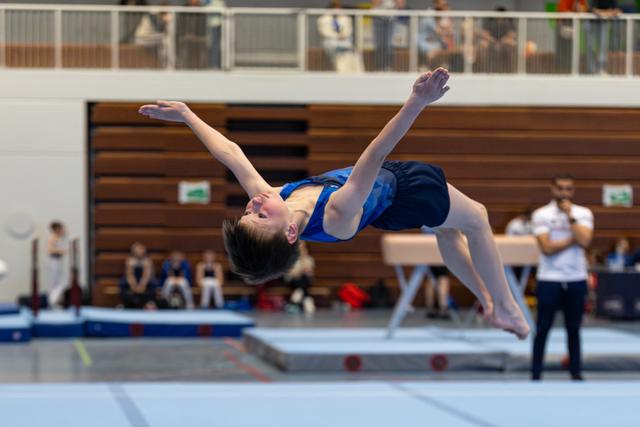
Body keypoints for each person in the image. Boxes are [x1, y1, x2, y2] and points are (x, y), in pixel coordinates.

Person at [139, 68, 530, 339]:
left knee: (447, 232)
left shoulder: (278, 201)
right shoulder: (336, 217)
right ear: (291, 232)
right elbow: (372, 158)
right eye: (258, 216)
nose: (254, 203)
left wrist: (189, 115)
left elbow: (231, 154)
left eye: (247, 212)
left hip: (386, 194)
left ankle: (488, 302)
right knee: (476, 218)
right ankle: (507, 308)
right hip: (406, 189)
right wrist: (417, 102)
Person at [531, 174, 593, 381]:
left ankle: (576, 371)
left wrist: (570, 218)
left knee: (574, 328)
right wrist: (572, 239)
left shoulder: (583, 213)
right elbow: (547, 248)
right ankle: (536, 371)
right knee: (543, 327)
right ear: (553, 189)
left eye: (568, 189)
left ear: (573, 191)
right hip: (549, 277)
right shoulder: (541, 214)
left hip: (576, 277)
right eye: (560, 188)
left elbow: (584, 241)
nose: (564, 193)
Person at [317, 0, 361, 72]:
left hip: (344, 41)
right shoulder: (323, 18)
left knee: (353, 54)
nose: (337, 10)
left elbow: (348, 31)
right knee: (340, 55)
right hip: (330, 42)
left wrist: (343, 36)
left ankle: (357, 73)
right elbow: (324, 32)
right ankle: (341, 72)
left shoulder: (346, 18)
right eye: (335, 8)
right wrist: (337, 36)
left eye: (339, 8)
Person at [585, 0, 622, 74]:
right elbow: (593, 10)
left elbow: (618, 11)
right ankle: (591, 71)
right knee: (590, 47)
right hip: (590, 23)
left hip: (603, 23)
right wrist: (608, 12)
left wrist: (605, 13)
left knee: (603, 47)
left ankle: (601, 70)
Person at [418, 0, 456, 70]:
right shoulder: (430, 13)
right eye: (443, 4)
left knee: (447, 48)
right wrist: (447, 31)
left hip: (436, 42)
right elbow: (438, 31)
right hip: (425, 41)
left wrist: (448, 29)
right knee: (433, 52)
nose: (444, 6)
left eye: (445, 4)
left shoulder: (442, 15)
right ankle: (426, 68)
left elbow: (450, 32)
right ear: (436, 4)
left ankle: (442, 67)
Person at [120, 242, 157, 309]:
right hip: (133, 279)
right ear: (133, 252)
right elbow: (129, 274)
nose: (139, 252)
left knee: (153, 283)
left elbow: (146, 275)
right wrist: (133, 286)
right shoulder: (129, 260)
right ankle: (127, 303)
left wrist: (141, 286)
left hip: (144, 280)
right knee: (123, 283)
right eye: (137, 250)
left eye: (141, 250)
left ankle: (149, 303)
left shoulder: (147, 260)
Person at [283, 241, 316, 314]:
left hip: (305, 280)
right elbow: (291, 274)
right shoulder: (290, 258)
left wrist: (303, 260)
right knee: (299, 279)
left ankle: (295, 300)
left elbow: (310, 274)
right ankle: (307, 299)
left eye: (303, 247)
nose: (301, 249)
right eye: (299, 247)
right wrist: (301, 269)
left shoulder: (309, 259)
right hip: (292, 280)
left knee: (303, 279)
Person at [47, 221, 67, 309]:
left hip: (58, 261)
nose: (63, 230)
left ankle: (55, 302)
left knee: (60, 283)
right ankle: (52, 302)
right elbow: (50, 250)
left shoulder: (59, 238)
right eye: (61, 228)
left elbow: (66, 233)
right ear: (57, 229)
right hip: (54, 261)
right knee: (56, 283)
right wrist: (61, 251)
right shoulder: (52, 238)